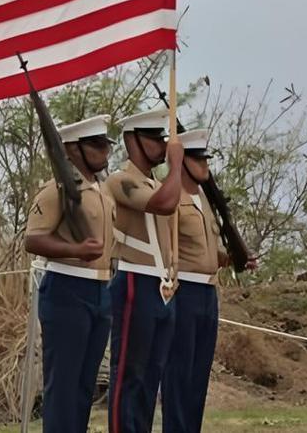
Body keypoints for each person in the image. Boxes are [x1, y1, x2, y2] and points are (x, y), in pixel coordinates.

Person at [24, 114, 117, 433]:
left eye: (106, 145)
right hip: (67, 288)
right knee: (63, 384)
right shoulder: (56, 190)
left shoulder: (102, 192)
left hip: (101, 291)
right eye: (97, 145)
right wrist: (76, 250)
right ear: (74, 149)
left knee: (84, 384)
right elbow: (33, 239)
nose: (105, 152)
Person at [103, 106, 184, 433]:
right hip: (135, 278)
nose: (163, 146)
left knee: (152, 375)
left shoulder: (155, 182)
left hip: (161, 286)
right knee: (129, 373)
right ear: (134, 141)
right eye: (155, 139)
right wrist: (176, 166)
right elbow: (164, 203)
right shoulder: (120, 180)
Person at [161, 128, 228, 432]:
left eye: (206, 159)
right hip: (183, 290)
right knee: (178, 373)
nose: (205, 165)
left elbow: (212, 250)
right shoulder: (172, 197)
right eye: (198, 159)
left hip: (208, 292)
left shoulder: (204, 200)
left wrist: (236, 257)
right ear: (183, 161)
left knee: (198, 376)